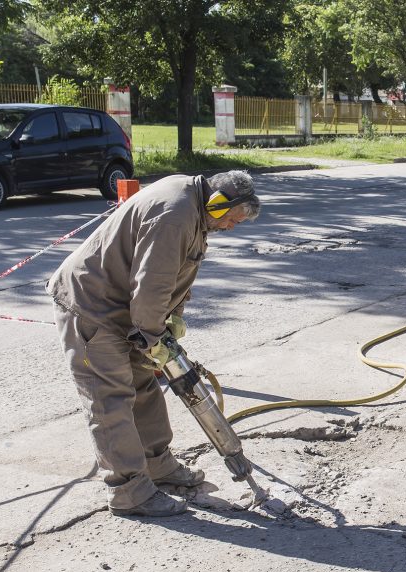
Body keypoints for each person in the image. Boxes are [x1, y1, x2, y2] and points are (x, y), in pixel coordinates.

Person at [48, 171, 261, 517]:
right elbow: (152, 286)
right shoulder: (176, 215)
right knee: (111, 398)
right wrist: (152, 337)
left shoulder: (194, 205)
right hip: (93, 308)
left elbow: (177, 274)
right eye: (231, 220)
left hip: (124, 310)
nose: (230, 228)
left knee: (143, 385)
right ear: (217, 202)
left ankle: (157, 465)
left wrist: (167, 326)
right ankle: (130, 491)